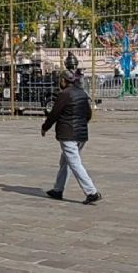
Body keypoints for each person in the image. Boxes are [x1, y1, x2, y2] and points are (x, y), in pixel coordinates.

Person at [42, 69, 101, 205]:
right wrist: (81, 124)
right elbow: (88, 114)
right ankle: (58, 189)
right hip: (81, 134)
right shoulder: (82, 93)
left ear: (63, 81)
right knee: (65, 162)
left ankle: (91, 192)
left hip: (68, 134)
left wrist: (45, 127)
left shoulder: (64, 95)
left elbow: (54, 114)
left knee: (74, 163)